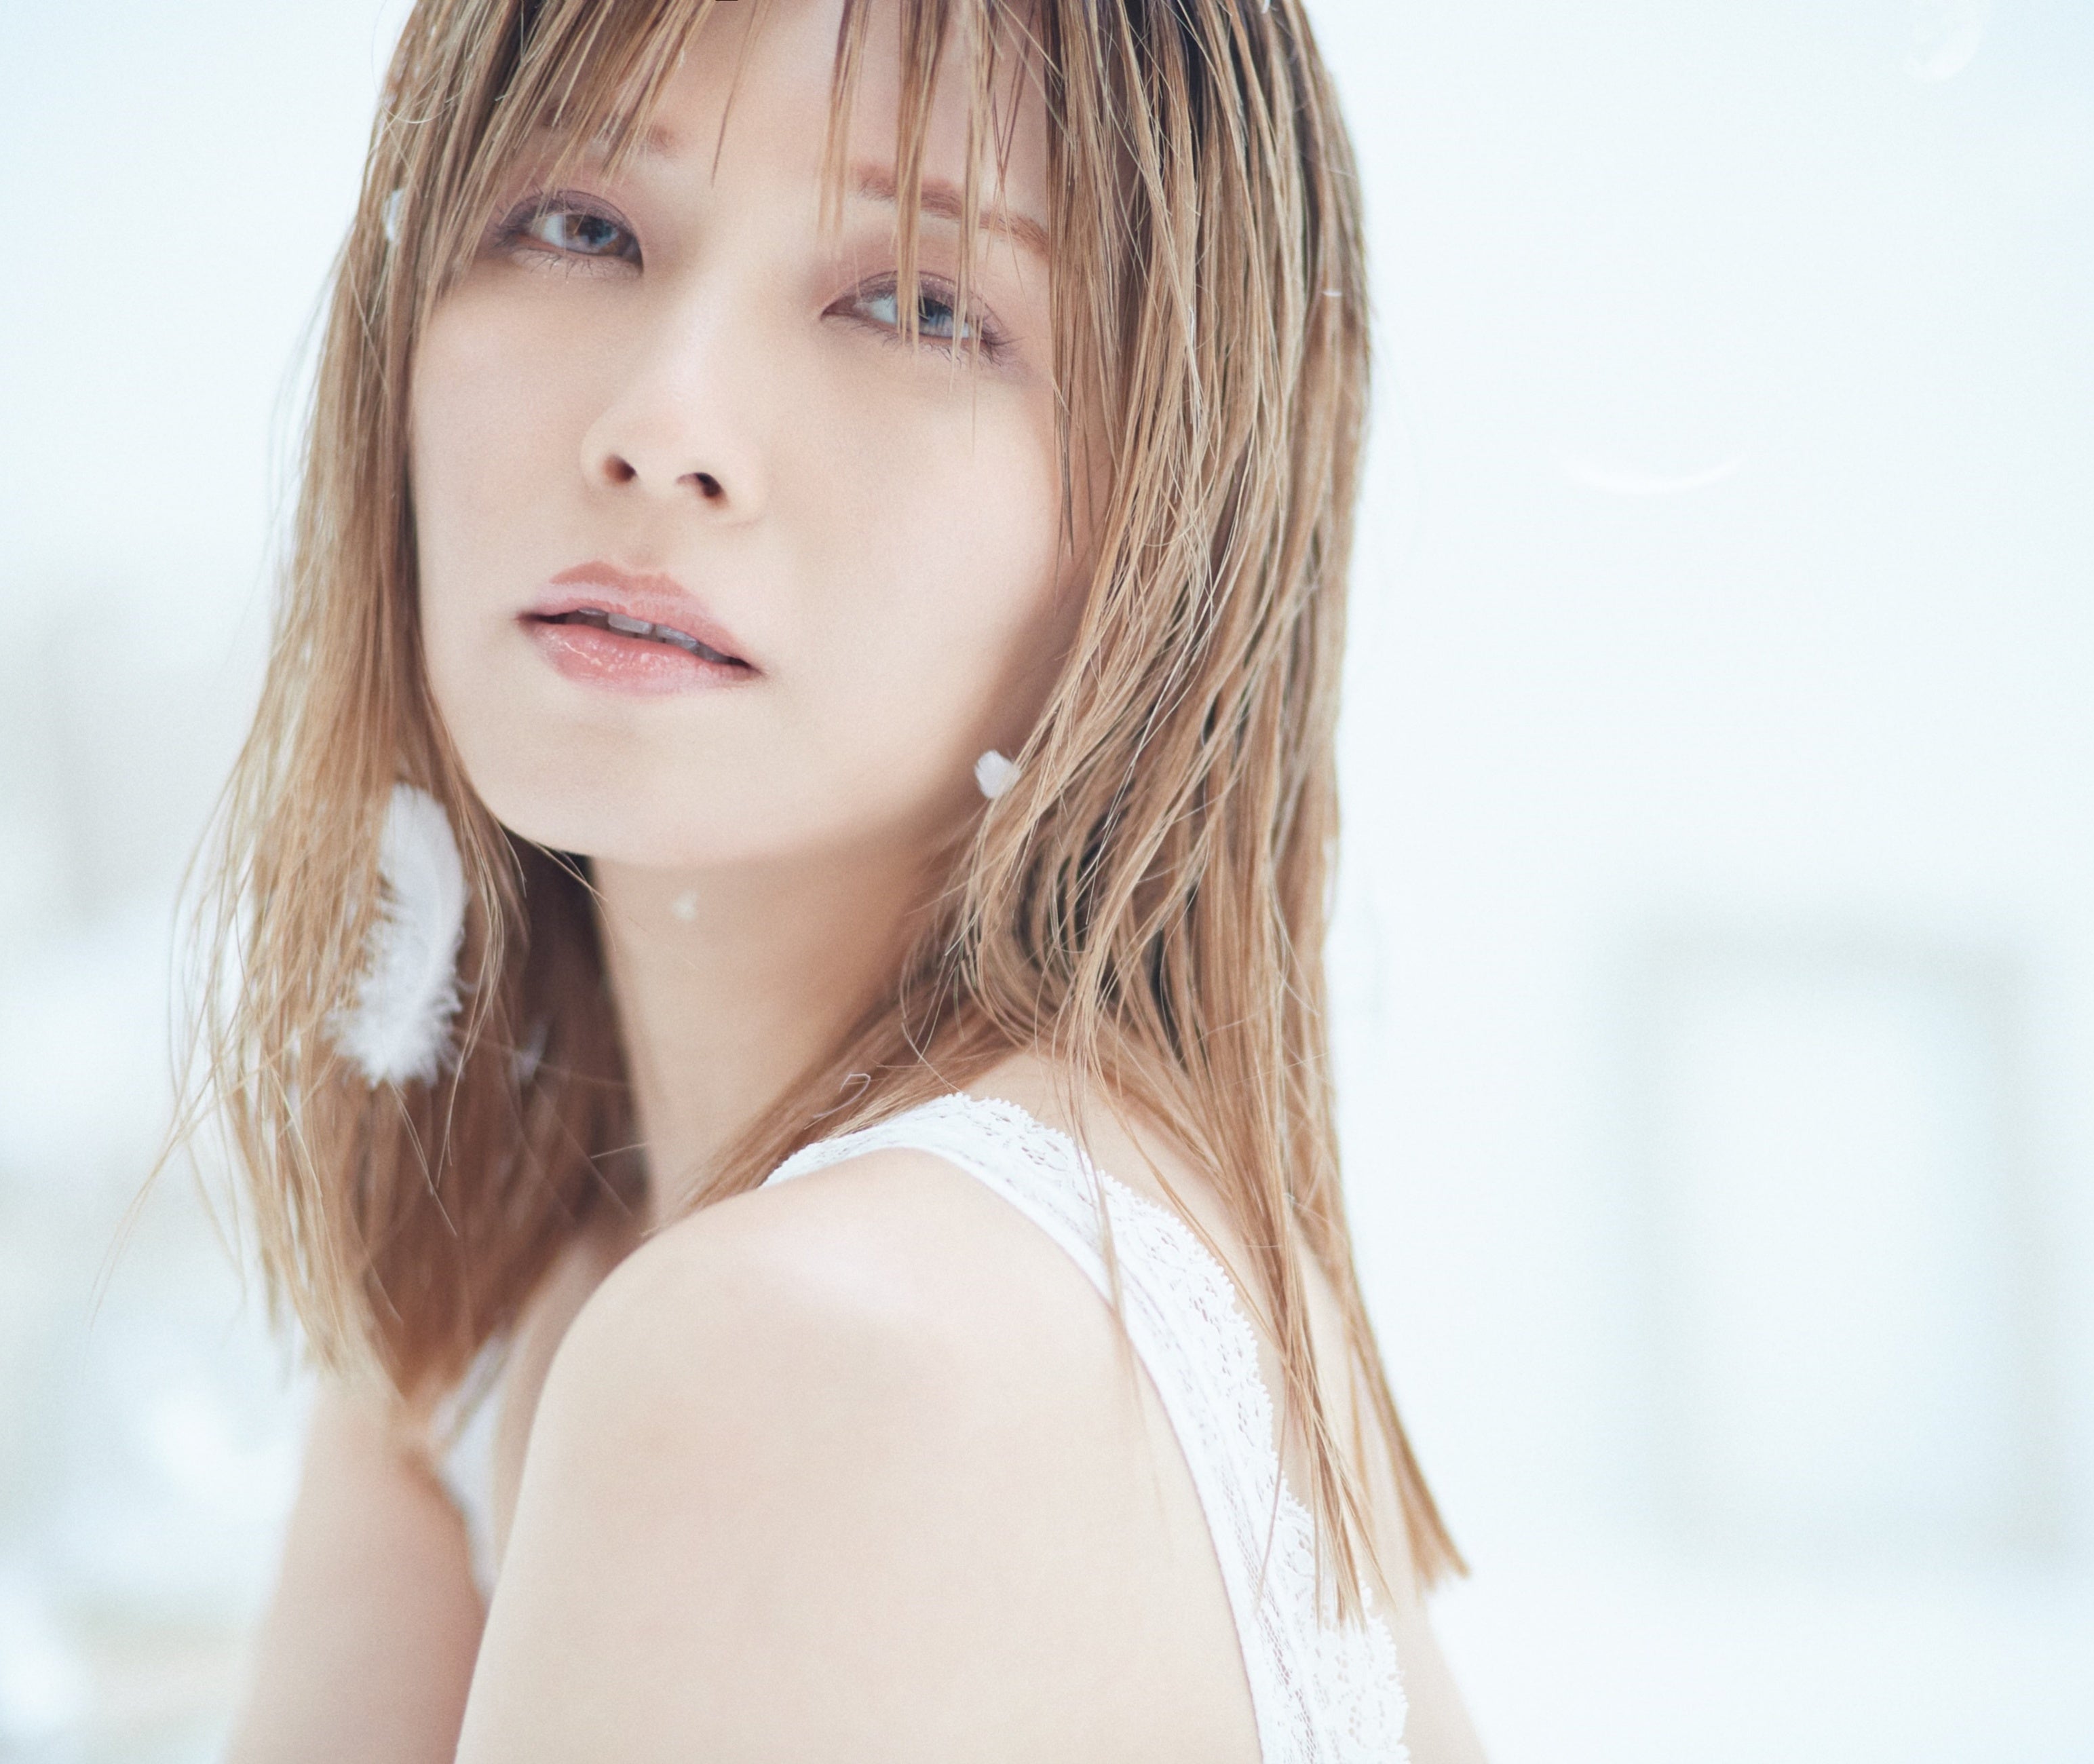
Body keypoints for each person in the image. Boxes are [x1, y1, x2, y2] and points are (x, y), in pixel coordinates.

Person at [202, 0, 1484, 1756]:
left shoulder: (820, 1347)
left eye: (921, 305)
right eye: (581, 224)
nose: (664, 424)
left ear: (1159, 526)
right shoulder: (519, 1281)